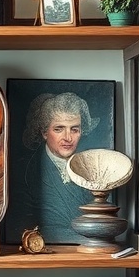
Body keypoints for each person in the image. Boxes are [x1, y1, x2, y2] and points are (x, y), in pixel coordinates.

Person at [16, 92, 100, 244]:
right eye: (59, 129)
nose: (68, 138)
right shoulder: (27, 171)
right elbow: (24, 225)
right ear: (44, 132)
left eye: (74, 129)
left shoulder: (93, 169)